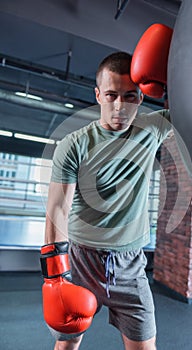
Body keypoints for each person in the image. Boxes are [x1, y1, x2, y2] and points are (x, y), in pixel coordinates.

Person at [41, 51, 171, 350]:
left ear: (141, 97)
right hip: (81, 261)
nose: (119, 106)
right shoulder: (74, 144)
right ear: (98, 95)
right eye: (111, 94)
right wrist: (55, 277)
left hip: (131, 266)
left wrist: (172, 77)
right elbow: (58, 208)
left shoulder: (151, 130)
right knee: (67, 346)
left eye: (130, 96)